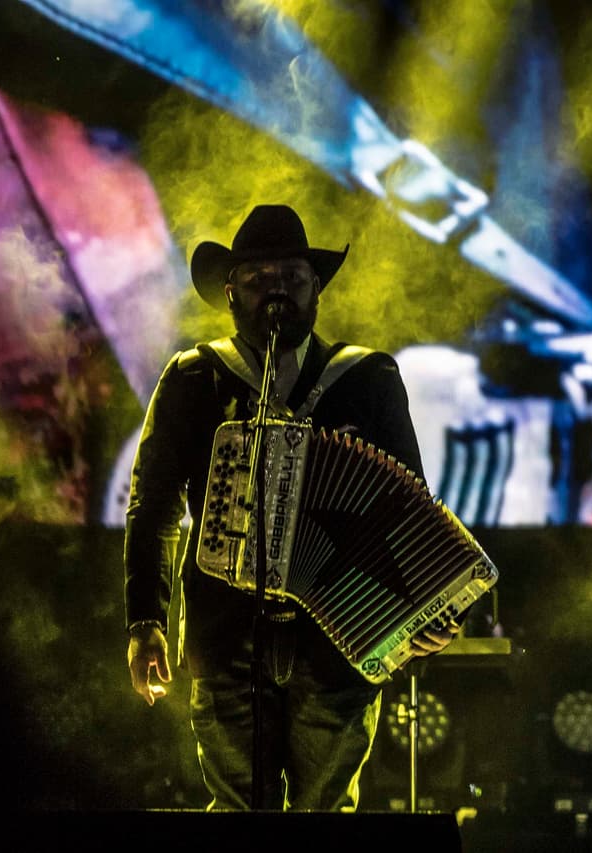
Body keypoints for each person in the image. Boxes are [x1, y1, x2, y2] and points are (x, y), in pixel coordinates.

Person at [123, 203, 460, 811]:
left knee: (326, 818)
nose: (276, 290)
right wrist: (144, 618)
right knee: (236, 814)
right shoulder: (194, 379)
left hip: (341, 641)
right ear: (229, 293)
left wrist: (425, 605)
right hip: (225, 636)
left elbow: (408, 506)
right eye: (257, 279)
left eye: (293, 278)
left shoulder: (367, 380)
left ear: (316, 291)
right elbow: (153, 508)